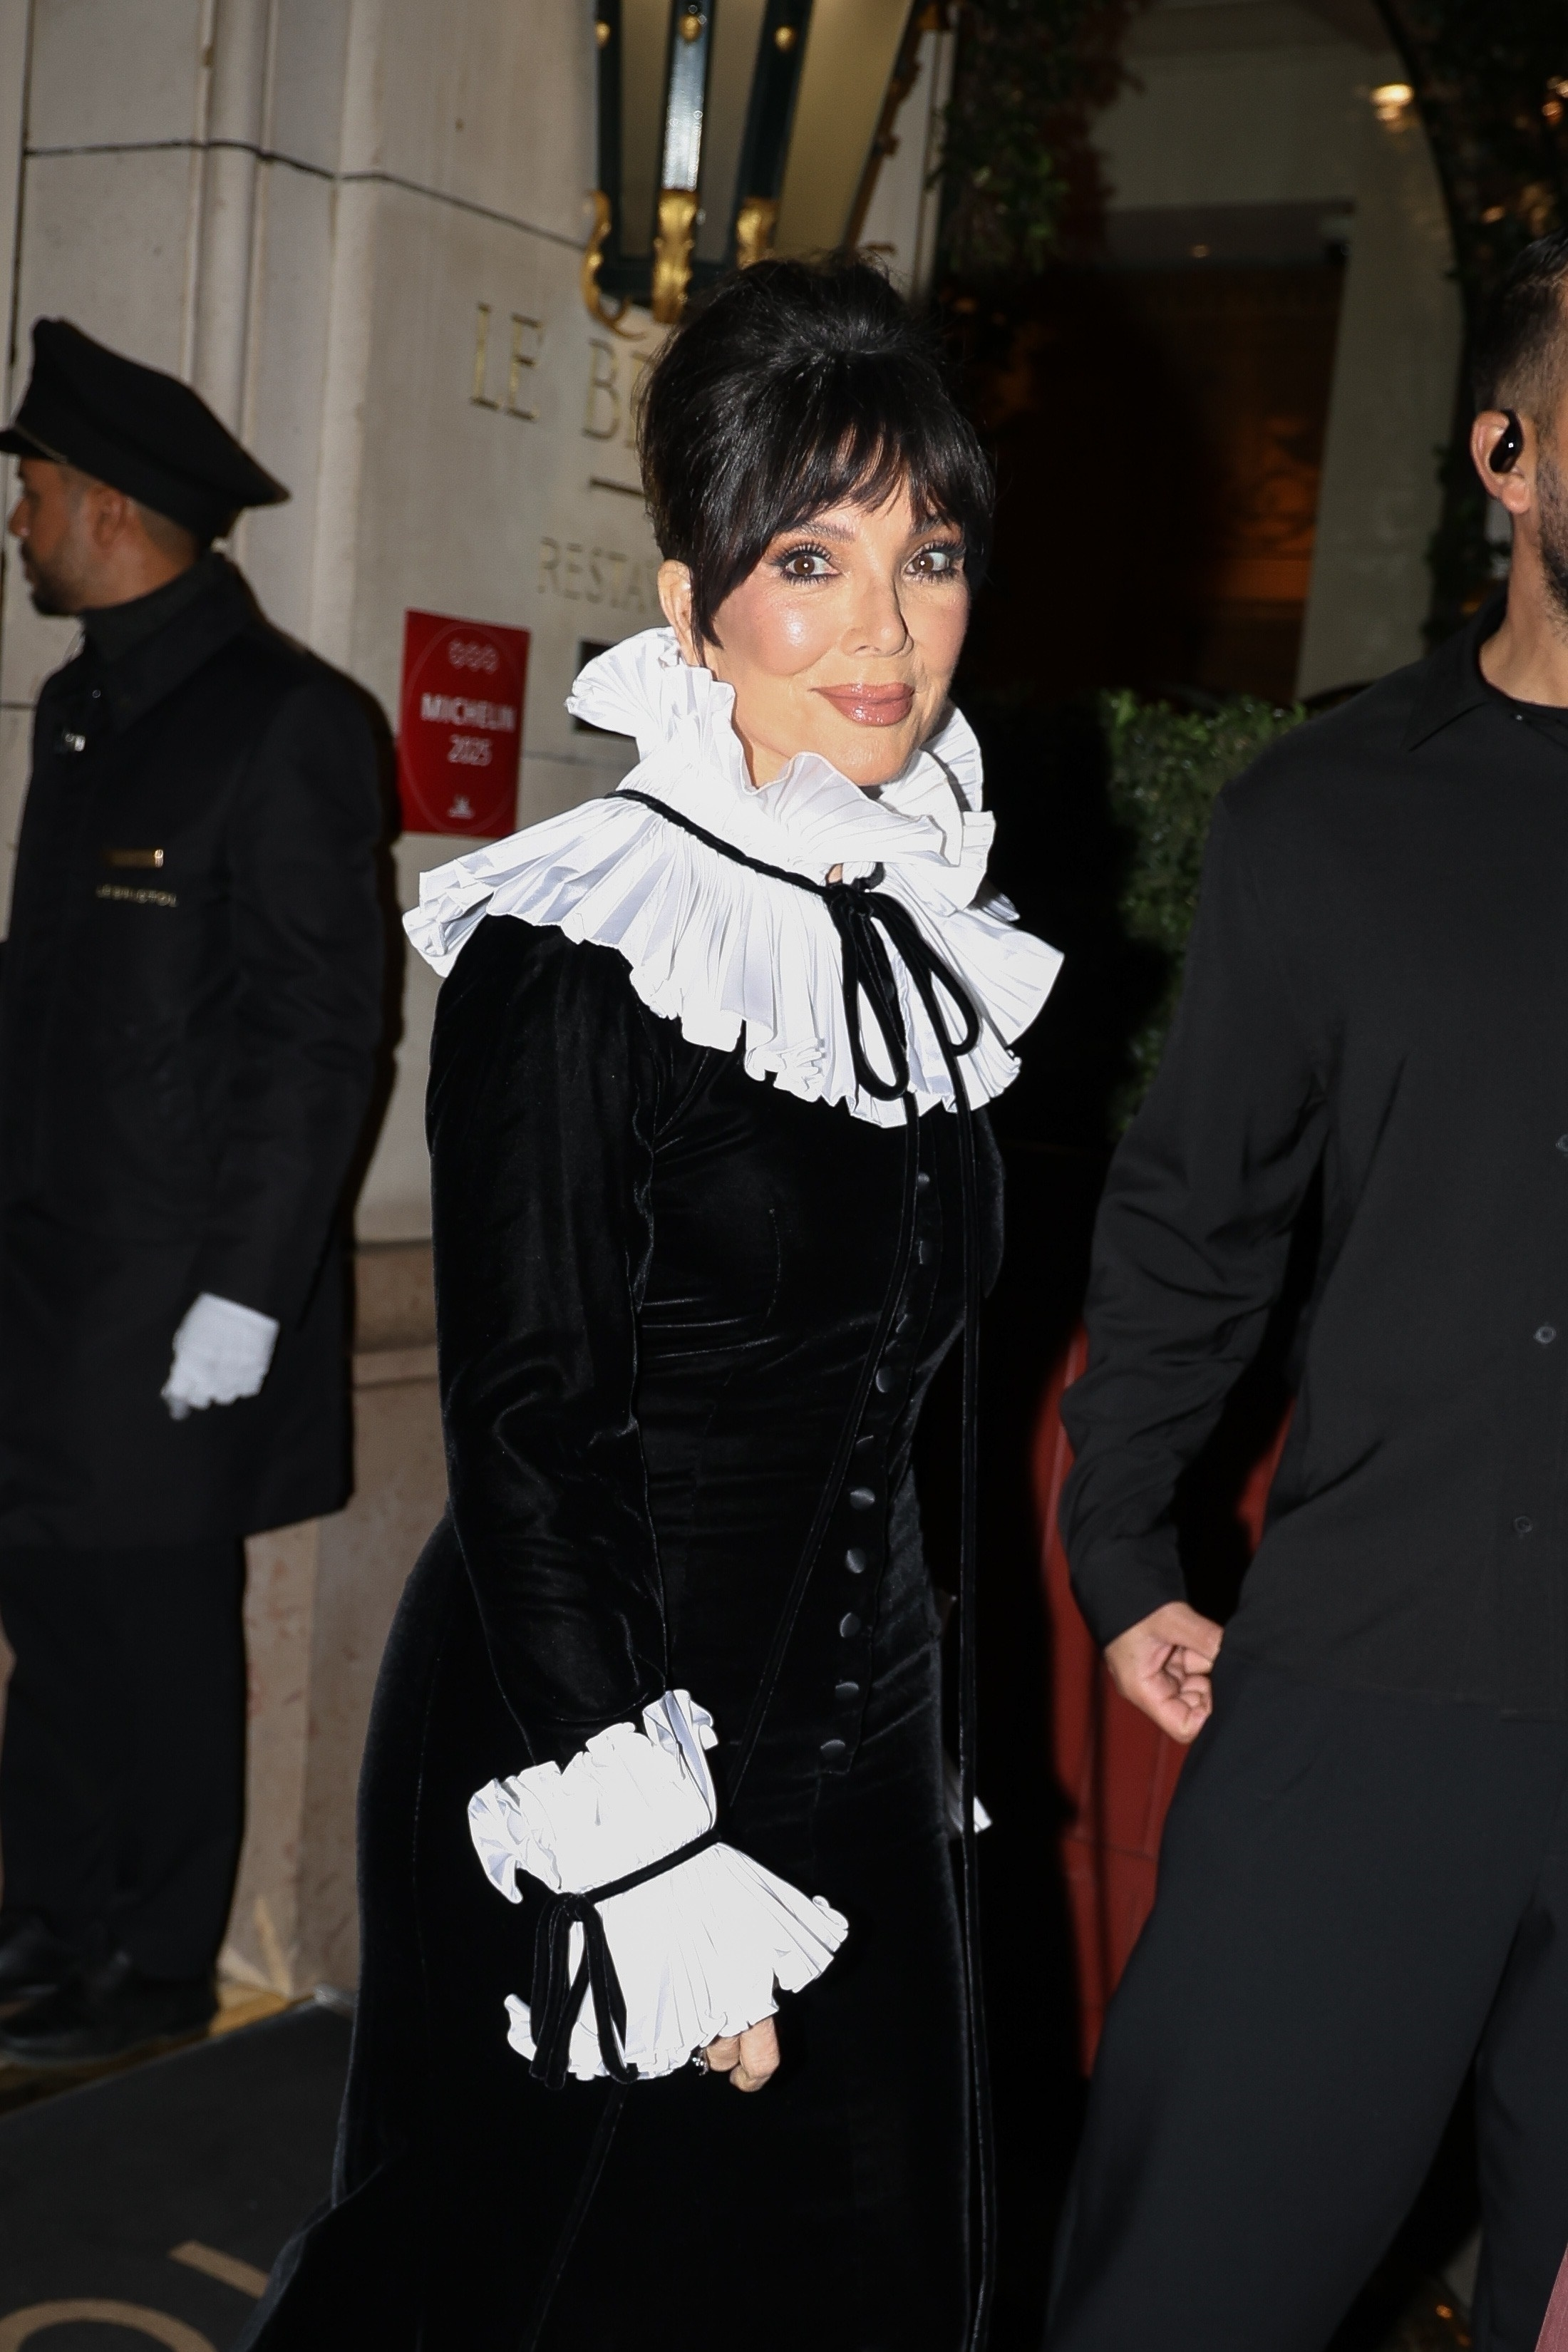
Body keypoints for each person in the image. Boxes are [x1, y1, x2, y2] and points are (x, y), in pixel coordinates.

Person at [239, 258, 1058, 2352]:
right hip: (590, 1739)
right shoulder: (580, 949)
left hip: (866, 1747)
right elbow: (531, 1439)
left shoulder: (918, 932)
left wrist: (928, 1734)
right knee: (558, 2291)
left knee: (882, 2277)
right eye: (811, 560)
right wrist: (648, 1868)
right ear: (691, 608)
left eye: (928, 556)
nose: (884, 629)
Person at [1048, 227, 1568, 2352]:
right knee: (1181, 2290)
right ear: (1508, 454)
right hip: (1367, 1692)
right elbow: (1197, 1217)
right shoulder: (1326, 816)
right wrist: (1121, 1545)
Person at [0, 319, 386, 2063]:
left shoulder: (288, 723)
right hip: (46, 1271)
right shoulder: (85, 708)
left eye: (32, 490)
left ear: (105, 505)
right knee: (53, 1611)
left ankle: (154, 1965)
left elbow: (319, 1036)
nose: (18, 523)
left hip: (171, 1291)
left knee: (156, 1631)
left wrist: (245, 1292)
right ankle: (45, 1920)